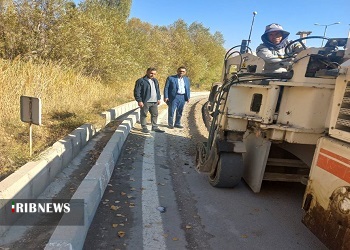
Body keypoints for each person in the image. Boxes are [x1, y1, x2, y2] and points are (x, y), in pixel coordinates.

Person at [134, 67, 164, 133]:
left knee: (155, 114)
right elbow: (137, 92)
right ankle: (144, 127)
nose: (152, 75)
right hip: (145, 102)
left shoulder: (155, 80)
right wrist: (139, 101)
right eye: (151, 73)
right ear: (147, 72)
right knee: (144, 114)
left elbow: (157, 90)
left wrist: (158, 98)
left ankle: (155, 127)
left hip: (154, 101)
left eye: (154, 74)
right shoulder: (141, 81)